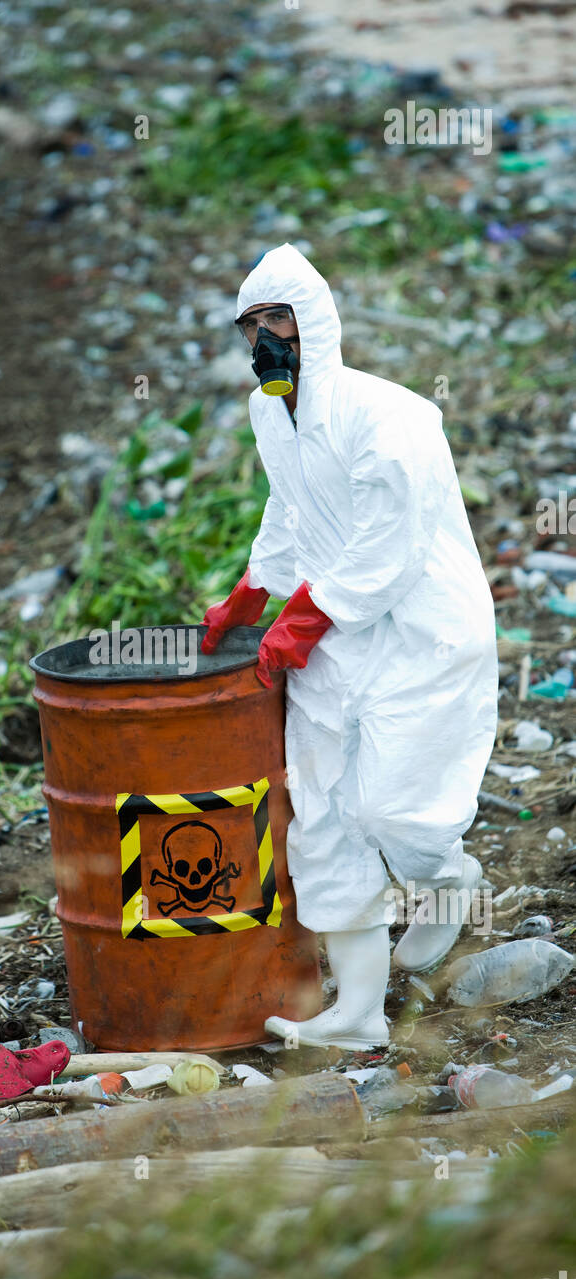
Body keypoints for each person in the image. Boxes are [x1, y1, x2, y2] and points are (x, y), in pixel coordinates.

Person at [201, 242, 498, 1049]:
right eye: (252, 324)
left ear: (316, 323)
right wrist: (254, 589)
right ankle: (360, 1014)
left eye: (278, 319)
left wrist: (303, 618)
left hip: (417, 636)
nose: (266, 337)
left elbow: (387, 544)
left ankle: (447, 882)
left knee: (396, 808)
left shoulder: (391, 415)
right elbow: (289, 507)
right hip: (331, 640)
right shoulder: (272, 410)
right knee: (324, 818)